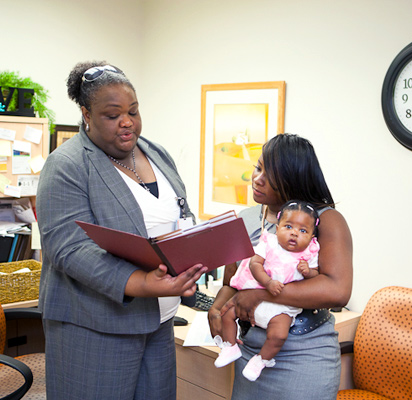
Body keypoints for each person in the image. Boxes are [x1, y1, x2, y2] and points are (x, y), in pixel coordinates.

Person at [36, 61, 207, 400]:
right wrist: (140, 282)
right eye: (112, 115)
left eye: (133, 111)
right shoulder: (66, 165)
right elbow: (68, 249)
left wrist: (199, 250)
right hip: (95, 327)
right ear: (87, 114)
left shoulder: (156, 153)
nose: (127, 122)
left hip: (159, 321)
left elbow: (179, 215)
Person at [207, 133, 354, 399]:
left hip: (303, 354)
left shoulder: (326, 220)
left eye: (270, 174)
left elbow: (337, 290)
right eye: (258, 167)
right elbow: (233, 282)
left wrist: (262, 294)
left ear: (294, 178)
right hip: (250, 349)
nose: (257, 178)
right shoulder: (247, 217)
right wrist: (217, 308)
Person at [212, 200, 322, 381]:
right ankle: (230, 347)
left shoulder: (309, 254)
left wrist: (308, 271)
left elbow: (316, 277)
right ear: (277, 227)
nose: (294, 233)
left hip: (282, 306)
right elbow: (255, 264)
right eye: (288, 226)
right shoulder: (268, 242)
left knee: (279, 335)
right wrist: (269, 283)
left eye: (303, 231)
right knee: (227, 314)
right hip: (256, 295)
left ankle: (261, 360)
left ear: (311, 236)